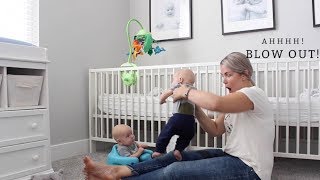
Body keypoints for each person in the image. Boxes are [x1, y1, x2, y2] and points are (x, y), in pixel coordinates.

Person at [83, 52, 275, 180]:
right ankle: (118, 171)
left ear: (245, 74)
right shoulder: (233, 99)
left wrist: (186, 90)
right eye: (222, 76)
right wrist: (196, 108)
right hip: (232, 156)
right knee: (175, 157)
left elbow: (215, 103)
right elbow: (215, 130)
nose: (224, 81)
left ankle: (121, 178)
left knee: (175, 172)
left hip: (250, 169)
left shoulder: (253, 94)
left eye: (228, 75)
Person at [153, 69, 196, 160]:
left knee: (166, 133)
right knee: (188, 135)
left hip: (178, 118)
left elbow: (167, 92)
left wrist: (162, 100)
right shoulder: (194, 90)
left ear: (180, 79)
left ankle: (159, 151)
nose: (172, 81)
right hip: (190, 120)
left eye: (173, 79)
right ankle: (178, 150)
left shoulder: (178, 86)